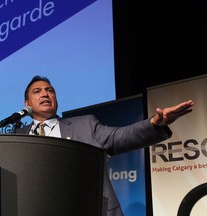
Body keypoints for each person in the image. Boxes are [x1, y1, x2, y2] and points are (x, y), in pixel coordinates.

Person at [14, 75, 194, 216]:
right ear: (26, 104)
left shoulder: (85, 125)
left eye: (50, 90)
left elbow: (120, 137)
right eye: (37, 91)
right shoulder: (16, 138)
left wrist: (155, 123)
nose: (45, 94)